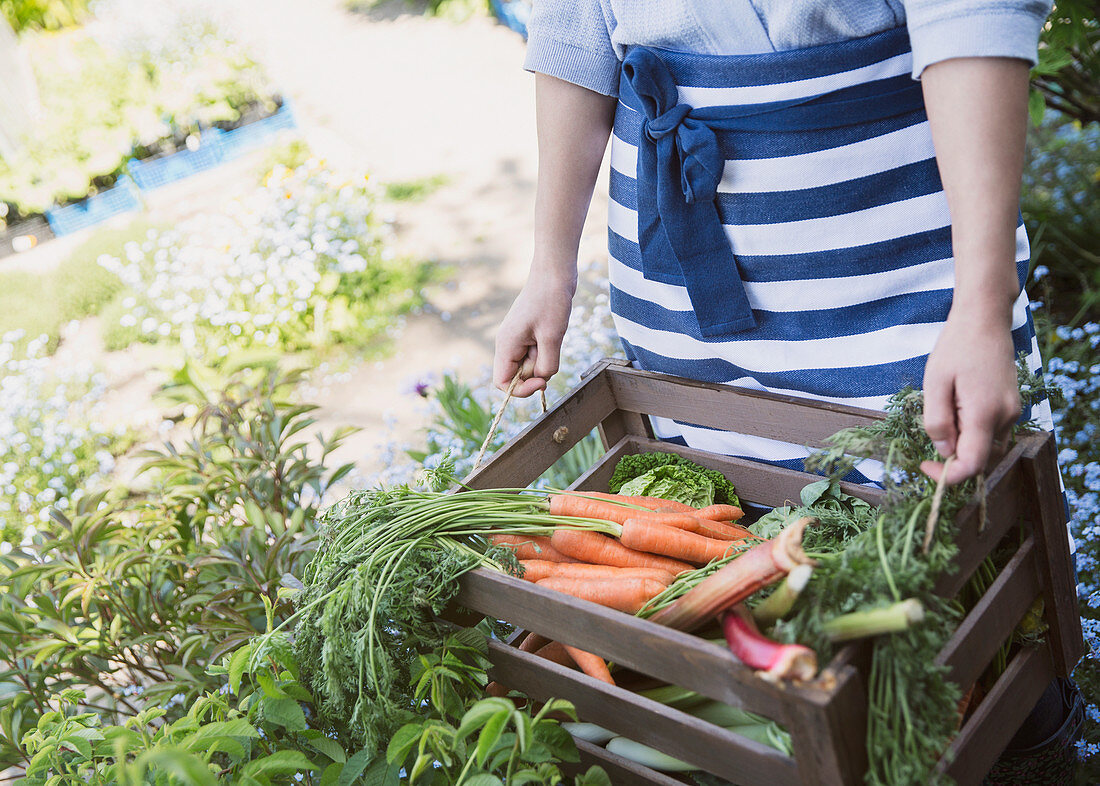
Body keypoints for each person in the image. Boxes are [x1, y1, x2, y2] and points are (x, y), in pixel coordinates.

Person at [491, 1, 1083, 780]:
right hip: (688, 285)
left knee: (963, 554)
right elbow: (573, 34)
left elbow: (973, 14)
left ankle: (1022, 740)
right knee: (751, 542)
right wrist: (550, 266)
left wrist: (980, 305)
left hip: (894, 249)